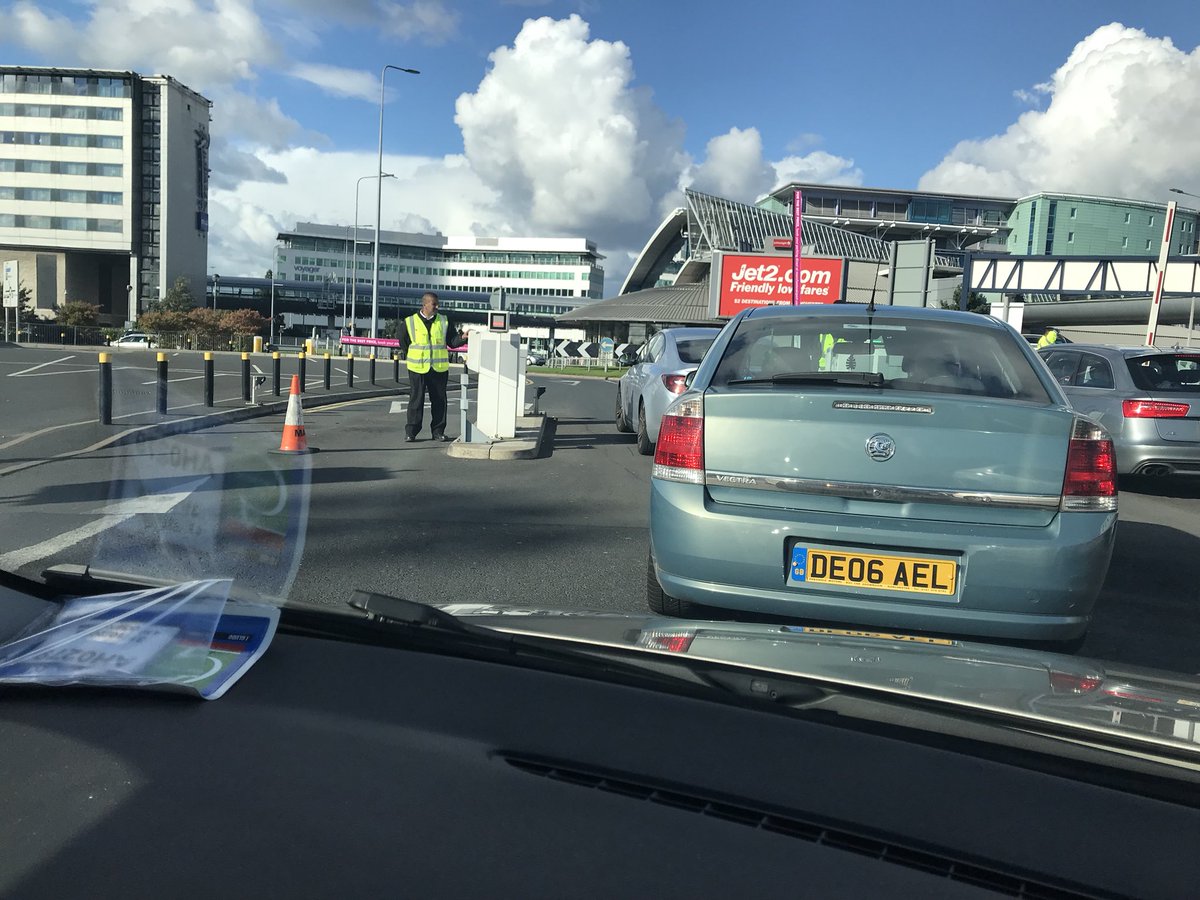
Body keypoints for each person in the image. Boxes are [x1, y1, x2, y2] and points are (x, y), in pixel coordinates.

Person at [398, 292, 459, 442]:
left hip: (438, 368)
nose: (437, 307)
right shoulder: (409, 322)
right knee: (416, 400)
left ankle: (438, 432)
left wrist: (462, 338)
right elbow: (403, 342)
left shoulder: (444, 321)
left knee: (439, 401)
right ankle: (411, 432)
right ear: (424, 305)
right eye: (434, 304)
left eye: (437, 304)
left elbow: (452, 341)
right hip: (417, 368)